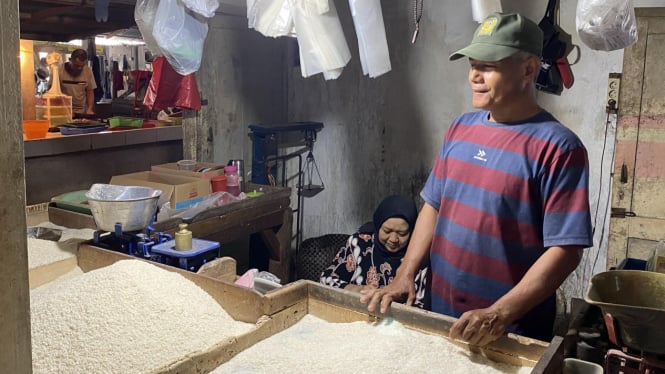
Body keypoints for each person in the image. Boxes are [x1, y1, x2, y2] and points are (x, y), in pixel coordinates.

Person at [360, 12, 593, 346]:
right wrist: (405, 273)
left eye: (489, 66)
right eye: (472, 64)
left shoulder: (559, 148)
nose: (474, 77)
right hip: (441, 314)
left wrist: (501, 312)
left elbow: (566, 250)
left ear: (528, 69)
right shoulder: (461, 128)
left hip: (509, 330)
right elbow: (433, 206)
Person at [321, 195, 430, 309]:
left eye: (402, 234)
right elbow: (325, 280)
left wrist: (396, 299)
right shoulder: (359, 244)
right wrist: (356, 289)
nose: (393, 239)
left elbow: (422, 306)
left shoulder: (418, 258)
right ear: (378, 226)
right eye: (387, 231)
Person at [60, 48, 97, 116]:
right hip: (63, 110)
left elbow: (90, 91)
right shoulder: (60, 70)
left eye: (82, 66)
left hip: (82, 111)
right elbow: (54, 93)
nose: (79, 68)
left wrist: (90, 108)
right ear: (70, 60)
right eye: (76, 66)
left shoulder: (88, 71)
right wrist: (67, 108)